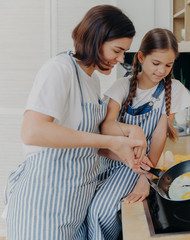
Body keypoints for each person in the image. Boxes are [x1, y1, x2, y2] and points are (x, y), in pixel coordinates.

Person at [4, 5, 152, 239]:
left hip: (73, 207)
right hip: (44, 207)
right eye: (117, 50)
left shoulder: (91, 80)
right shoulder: (59, 70)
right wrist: (113, 141)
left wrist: (127, 156)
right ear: (96, 39)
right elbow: (33, 132)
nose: (121, 58)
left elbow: (83, 144)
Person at [86, 28, 190, 239]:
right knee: (85, 210)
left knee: (100, 212)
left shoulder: (175, 89)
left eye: (168, 65)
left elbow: (159, 136)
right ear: (141, 57)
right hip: (108, 160)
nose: (162, 70)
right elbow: (106, 126)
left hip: (136, 166)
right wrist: (132, 129)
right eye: (156, 63)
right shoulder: (122, 86)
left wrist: (146, 178)